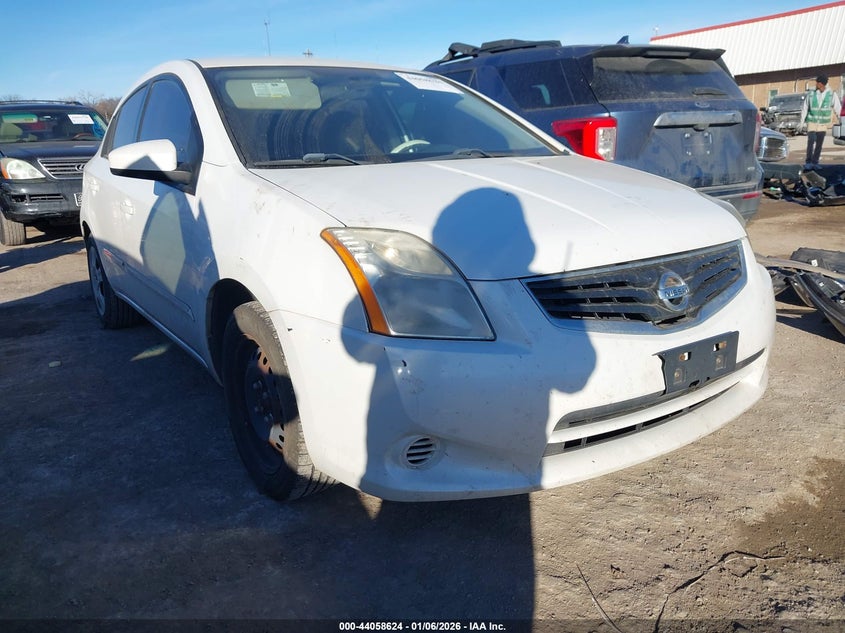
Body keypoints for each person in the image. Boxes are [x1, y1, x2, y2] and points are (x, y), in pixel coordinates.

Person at [800, 74, 842, 169]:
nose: (816, 84)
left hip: (822, 124)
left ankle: (815, 162)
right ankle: (808, 161)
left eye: (818, 82)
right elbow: (805, 108)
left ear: (822, 84)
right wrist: (801, 122)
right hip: (812, 121)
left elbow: (837, 108)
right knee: (811, 141)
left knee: (819, 143)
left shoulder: (831, 94)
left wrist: (842, 121)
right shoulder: (811, 93)